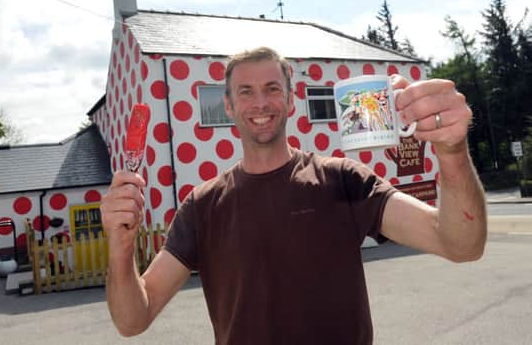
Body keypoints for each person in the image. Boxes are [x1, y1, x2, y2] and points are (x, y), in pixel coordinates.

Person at [100, 47, 487, 344]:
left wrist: (451, 151)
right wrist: (120, 248)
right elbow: (134, 319)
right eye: (246, 92)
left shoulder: (342, 180)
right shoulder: (203, 206)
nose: (261, 103)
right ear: (229, 106)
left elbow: (459, 243)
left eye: (272, 89)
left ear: (290, 100)